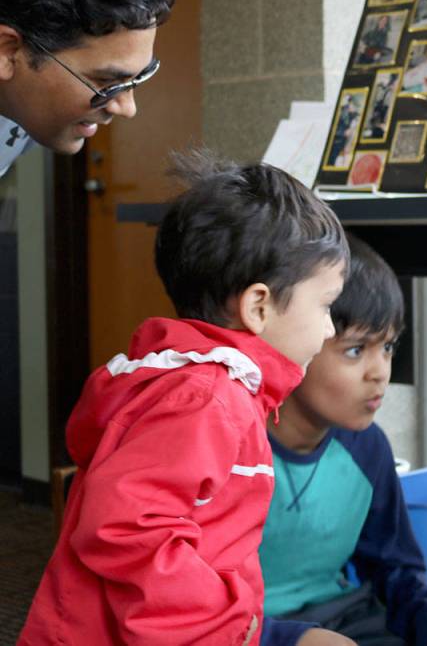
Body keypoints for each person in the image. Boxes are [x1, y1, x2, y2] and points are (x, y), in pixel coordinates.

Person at [19, 152, 354, 646]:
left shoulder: (212, 387)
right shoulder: (206, 399)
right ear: (258, 305)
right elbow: (128, 529)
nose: (328, 330)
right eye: (325, 306)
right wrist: (225, 622)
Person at [259, 233, 427, 646]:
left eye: (387, 346)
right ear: (296, 341)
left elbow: (398, 571)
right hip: (247, 631)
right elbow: (184, 608)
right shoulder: (232, 448)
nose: (380, 372)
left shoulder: (367, 446)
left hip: (345, 619)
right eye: (355, 350)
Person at [0, 0, 174, 178]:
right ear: (8, 52)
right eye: (105, 81)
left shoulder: (25, 112)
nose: (128, 108)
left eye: (139, 77)